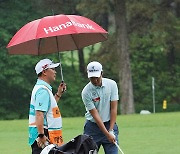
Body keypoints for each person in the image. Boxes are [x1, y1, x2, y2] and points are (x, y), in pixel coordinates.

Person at [28, 58, 66, 154]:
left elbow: (47, 109)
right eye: (52, 69)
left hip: (43, 132)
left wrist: (58, 94)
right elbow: (39, 114)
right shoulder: (43, 90)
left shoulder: (42, 88)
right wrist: (41, 135)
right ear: (44, 72)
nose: (55, 72)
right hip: (43, 134)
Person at [81, 61, 119, 154]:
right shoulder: (86, 92)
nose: (95, 81)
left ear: (102, 73)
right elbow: (95, 115)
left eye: (97, 77)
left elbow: (113, 109)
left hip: (110, 124)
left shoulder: (112, 85)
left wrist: (111, 130)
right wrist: (107, 134)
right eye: (92, 78)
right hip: (92, 128)